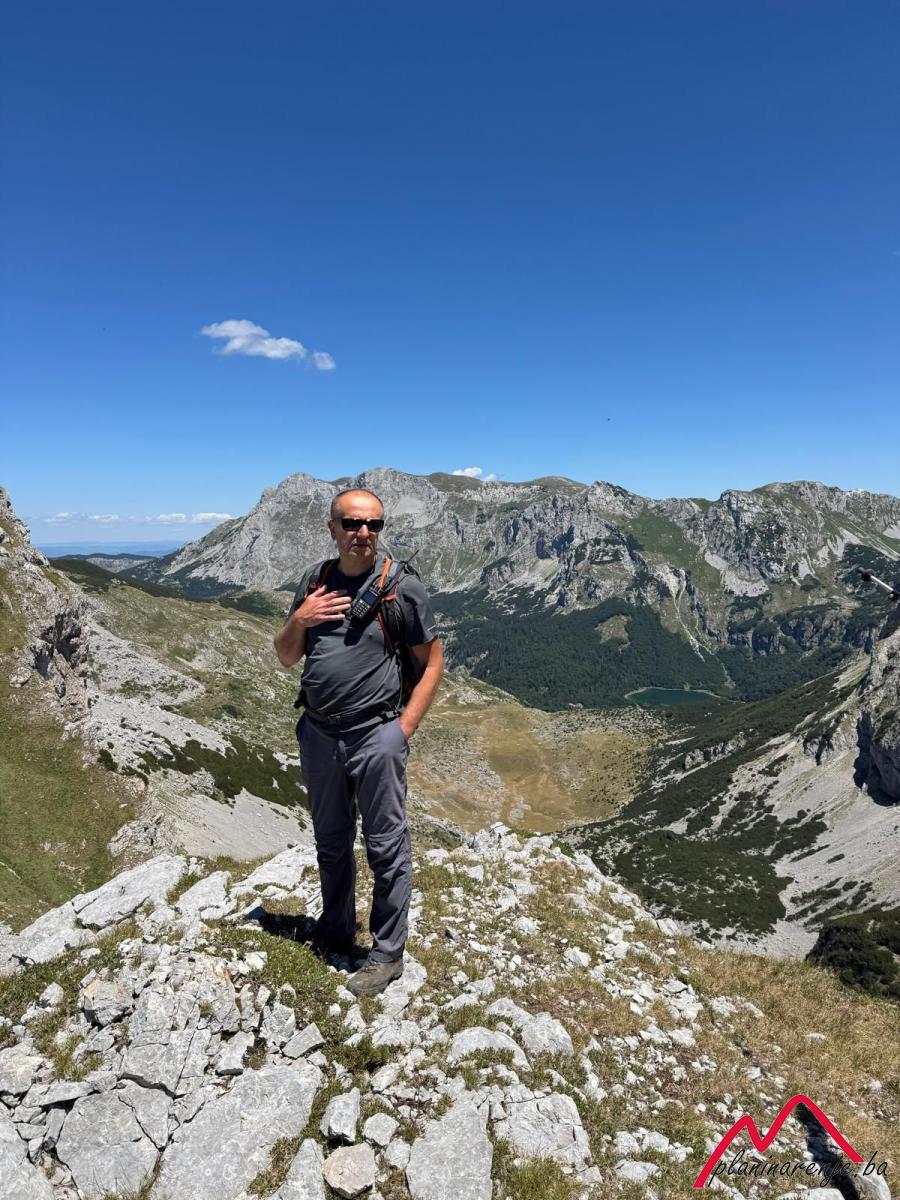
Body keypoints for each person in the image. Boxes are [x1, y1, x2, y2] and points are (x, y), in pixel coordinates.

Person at [274, 487, 444, 996]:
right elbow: (286, 656)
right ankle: (336, 929)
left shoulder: (402, 589)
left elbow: (432, 663)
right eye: (351, 523)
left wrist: (402, 729)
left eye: (373, 524)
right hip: (319, 733)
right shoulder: (314, 581)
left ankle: (387, 954)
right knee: (330, 841)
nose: (362, 533)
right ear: (332, 528)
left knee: (386, 846)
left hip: (376, 735)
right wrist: (300, 619)